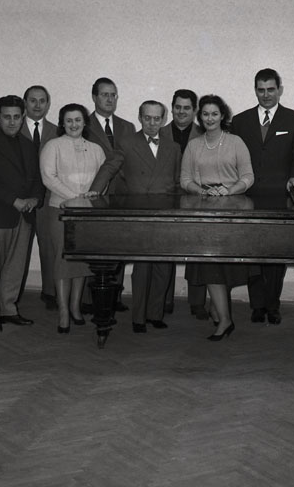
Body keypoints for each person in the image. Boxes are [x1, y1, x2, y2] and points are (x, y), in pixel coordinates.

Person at [231, 68, 294, 325]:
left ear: (280, 90)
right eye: (261, 90)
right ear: (255, 91)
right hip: (248, 196)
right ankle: (257, 305)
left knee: (275, 255)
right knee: (252, 253)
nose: (266, 95)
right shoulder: (240, 121)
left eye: (271, 90)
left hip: (280, 197)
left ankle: (273, 305)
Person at [180, 94, 254, 341]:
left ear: (222, 115)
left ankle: (221, 315)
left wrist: (229, 190)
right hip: (202, 212)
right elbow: (185, 179)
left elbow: (248, 176)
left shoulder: (236, 142)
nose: (209, 118)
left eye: (214, 114)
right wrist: (200, 191)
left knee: (222, 268)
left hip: (231, 211)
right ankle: (224, 318)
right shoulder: (193, 145)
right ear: (200, 117)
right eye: (205, 114)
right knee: (210, 267)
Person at [0, 95, 44, 333]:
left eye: (16, 117)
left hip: (24, 215)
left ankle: (8, 309)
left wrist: (35, 199)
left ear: (23, 117)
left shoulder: (28, 144)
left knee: (15, 267)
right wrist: (15, 201)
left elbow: (36, 178)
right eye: (6, 117)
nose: (12, 122)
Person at [39, 103, 106, 334]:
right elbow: (48, 177)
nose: (74, 124)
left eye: (78, 120)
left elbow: (102, 180)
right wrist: (74, 198)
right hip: (60, 211)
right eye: (69, 120)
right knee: (63, 259)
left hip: (87, 214)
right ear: (62, 123)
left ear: (85, 122)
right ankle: (63, 311)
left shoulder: (96, 149)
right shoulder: (53, 146)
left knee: (82, 261)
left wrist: (93, 195)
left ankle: (76, 307)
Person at [116, 100, 181, 333]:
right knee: (142, 267)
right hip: (140, 213)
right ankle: (138, 318)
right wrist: (95, 189)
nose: (152, 123)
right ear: (139, 117)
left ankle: (155, 313)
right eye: (147, 118)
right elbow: (110, 168)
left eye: (157, 118)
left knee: (163, 266)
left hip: (165, 213)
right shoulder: (126, 143)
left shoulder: (173, 147)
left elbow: (177, 181)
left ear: (163, 119)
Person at [84, 77, 136, 313]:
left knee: (120, 243)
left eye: (113, 95)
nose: (109, 99)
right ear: (94, 97)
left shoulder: (127, 127)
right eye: (104, 94)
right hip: (94, 191)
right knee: (94, 244)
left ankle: (115, 296)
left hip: (122, 194)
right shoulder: (83, 124)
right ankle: (90, 299)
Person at [160, 89, 207, 319]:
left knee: (197, 252)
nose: (181, 111)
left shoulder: (205, 134)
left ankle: (197, 302)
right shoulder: (159, 133)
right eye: (177, 107)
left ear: (194, 110)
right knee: (164, 250)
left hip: (196, 200)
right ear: (171, 108)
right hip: (165, 200)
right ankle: (164, 298)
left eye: (186, 108)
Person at [21, 85, 58, 310]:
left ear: (48, 104)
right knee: (18, 248)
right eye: (32, 100)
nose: (37, 105)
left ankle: (50, 292)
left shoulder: (57, 130)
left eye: (42, 101)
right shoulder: (14, 127)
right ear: (25, 103)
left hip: (48, 198)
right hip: (21, 199)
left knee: (49, 247)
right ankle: (12, 293)